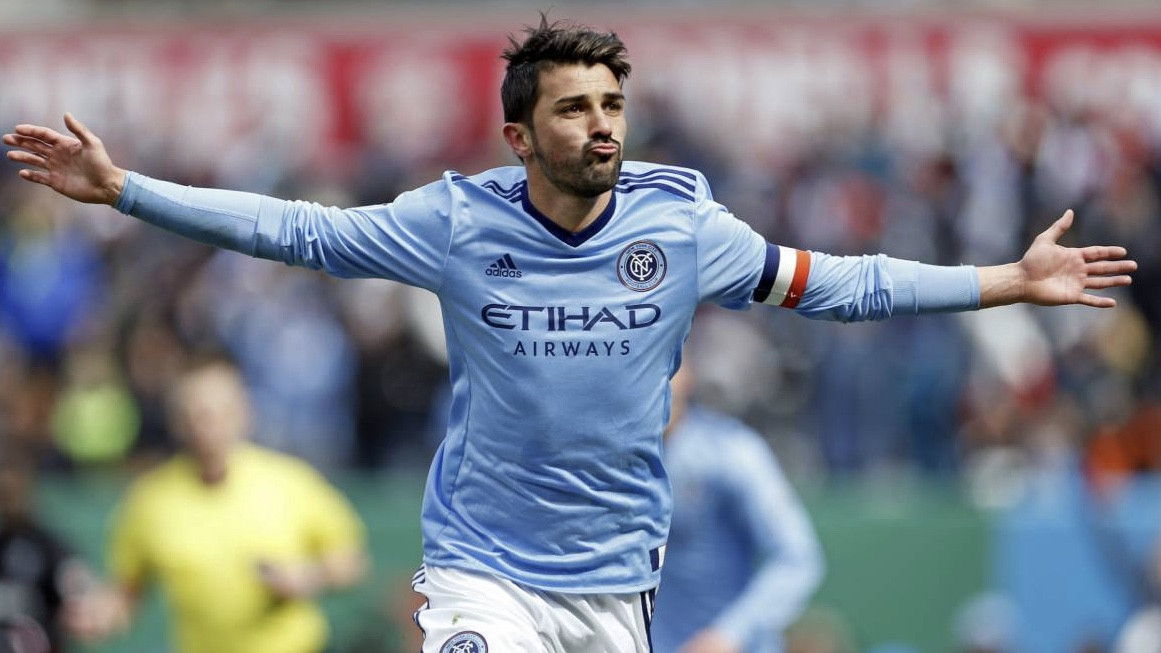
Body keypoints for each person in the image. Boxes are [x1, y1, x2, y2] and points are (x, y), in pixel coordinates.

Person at [2, 15, 1136, 653]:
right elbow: (292, 228)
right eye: (574, 108)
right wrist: (128, 190)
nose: (602, 128)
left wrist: (1005, 280)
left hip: (613, 583)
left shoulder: (682, 226)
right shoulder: (454, 223)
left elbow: (840, 283)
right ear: (518, 135)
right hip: (481, 571)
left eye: (612, 106)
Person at [65, 356, 368, 653]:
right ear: (177, 420)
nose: (207, 427)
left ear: (244, 412)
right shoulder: (150, 502)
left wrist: (310, 576)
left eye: (219, 412)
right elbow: (126, 593)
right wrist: (101, 615)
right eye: (196, 414)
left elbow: (351, 561)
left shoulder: (290, 482)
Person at [652, 362, 823, 653]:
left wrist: (729, 634)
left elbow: (797, 558)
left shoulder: (732, 452)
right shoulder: (608, 459)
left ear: (687, 374)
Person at [0, 445, 95, 653]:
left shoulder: (51, 548)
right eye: (5, 493)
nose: (10, 499)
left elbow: (83, 602)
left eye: (14, 490)